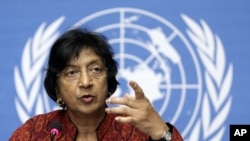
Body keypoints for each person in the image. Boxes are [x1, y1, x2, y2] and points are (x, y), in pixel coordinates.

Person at [9, 28, 183, 141]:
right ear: (57, 90)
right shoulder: (36, 133)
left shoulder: (135, 133)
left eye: (95, 69)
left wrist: (161, 131)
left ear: (108, 80)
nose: (86, 82)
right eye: (72, 73)